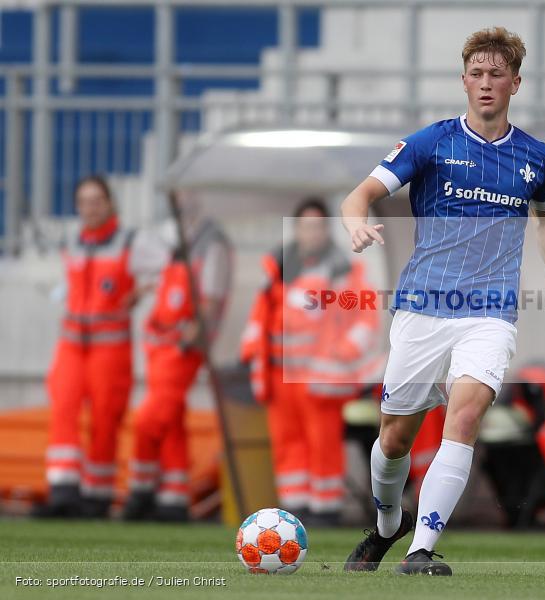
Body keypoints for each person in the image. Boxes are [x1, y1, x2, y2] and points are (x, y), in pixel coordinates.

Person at [341, 27, 545, 576]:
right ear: (463, 80)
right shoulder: (431, 142)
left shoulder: (536, 158)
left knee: (467, 411)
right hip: (423, 308)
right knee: (394, 436)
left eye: (496, 74)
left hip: (489, 314)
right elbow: (359, 195)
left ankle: (421, 548)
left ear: (515, 83)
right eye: (476, 73)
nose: (485, 84)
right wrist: (357, 225)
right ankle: (388, 523)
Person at [241, 198, 381, 526]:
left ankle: (325, 509)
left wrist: (345, 351)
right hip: (278, 374)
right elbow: (260, 314)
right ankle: (295, 510)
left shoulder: (341, 269)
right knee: (287, 444)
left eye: (317, 225)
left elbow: (366, 317)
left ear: (327, 230)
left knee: (323, 444)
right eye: (305, 225)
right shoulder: (278, 268)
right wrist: (250, 352)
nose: (311, 232)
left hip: (320, 378)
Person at [38, 175, 166, 518]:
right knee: (63, 408)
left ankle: (96, 496)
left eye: (96, 201)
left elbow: (171, 268)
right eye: (83, 202)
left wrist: (142, 291)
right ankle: (63, 491)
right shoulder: (72, 240)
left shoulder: (131, 241)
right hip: (71, 343)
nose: (89, 208)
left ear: (109, 203)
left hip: (110, 348)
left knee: (106, 418)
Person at [123, 197, 232, 522]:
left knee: (149, 418)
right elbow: (162, 279)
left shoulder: (210, 242)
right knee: (170, 419)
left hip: (180, 345)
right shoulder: (177, 236)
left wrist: (194, 335)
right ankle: (173, 497)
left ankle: (141, 488)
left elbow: (211, 297)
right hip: (159, 342)